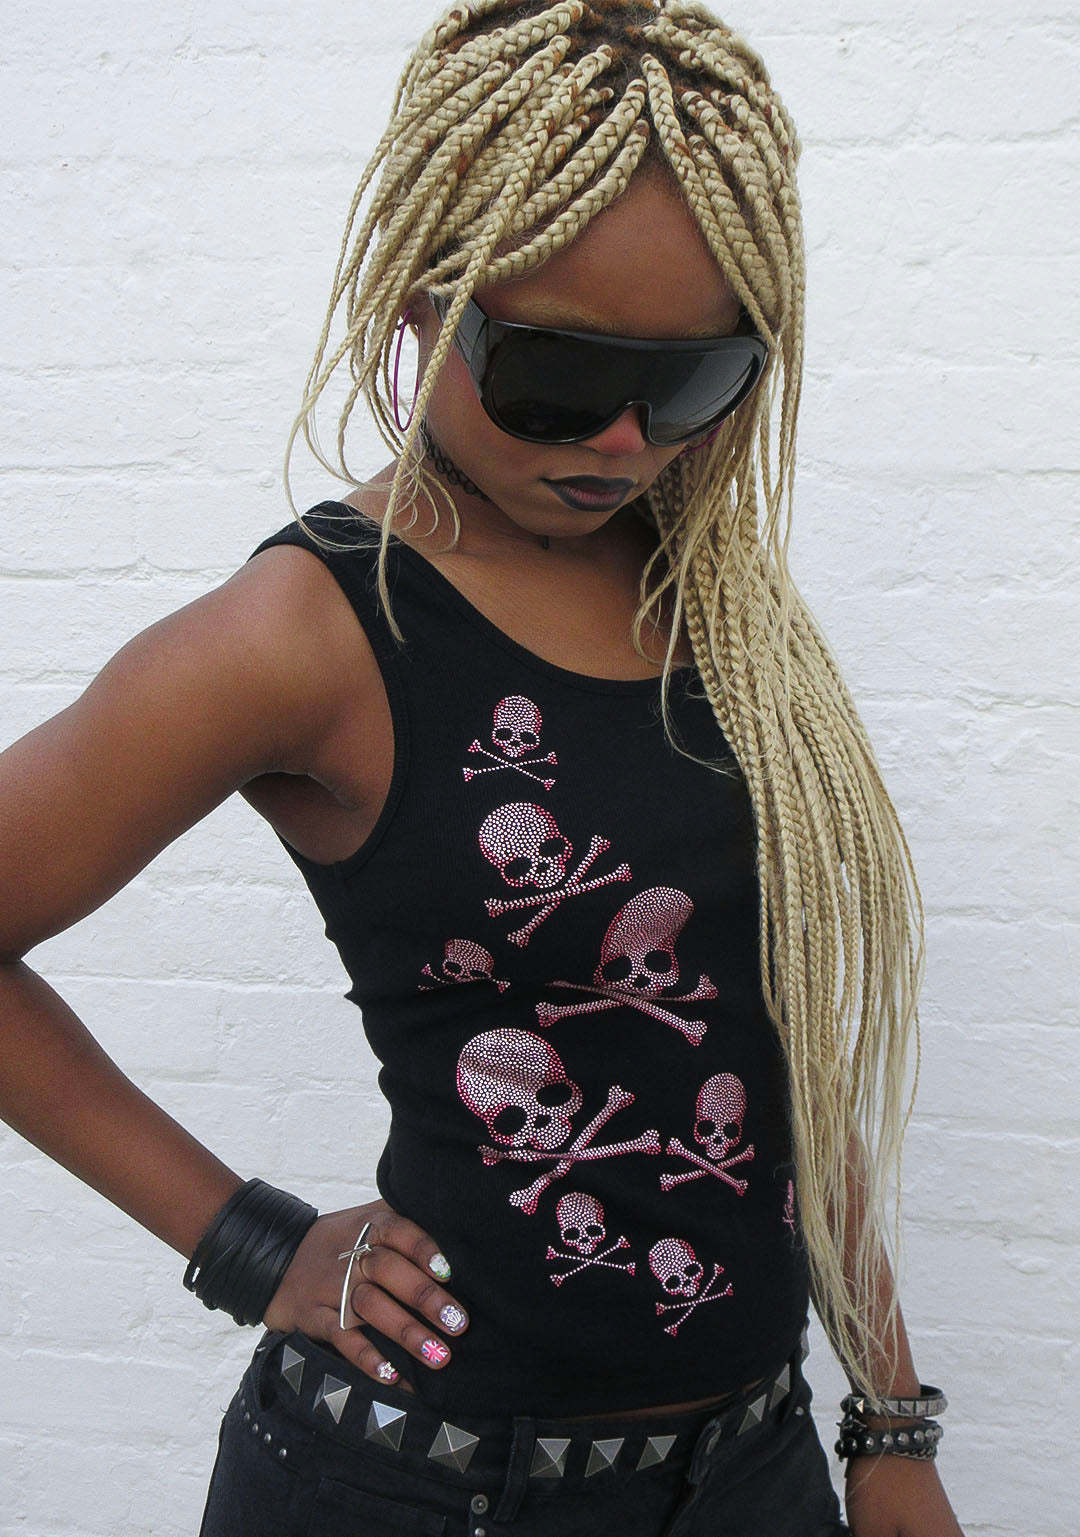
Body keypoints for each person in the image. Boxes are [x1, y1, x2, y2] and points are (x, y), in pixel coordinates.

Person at [0, 3, 966, 1534]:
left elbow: (784, 1037)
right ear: (416, 302)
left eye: (694, 379)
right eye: (554, 372)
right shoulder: (308, 631)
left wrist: (890, 1416)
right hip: (428, 1488)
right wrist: (248, 1242)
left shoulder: (711, 599)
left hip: (755, 1469)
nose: (625, 441)